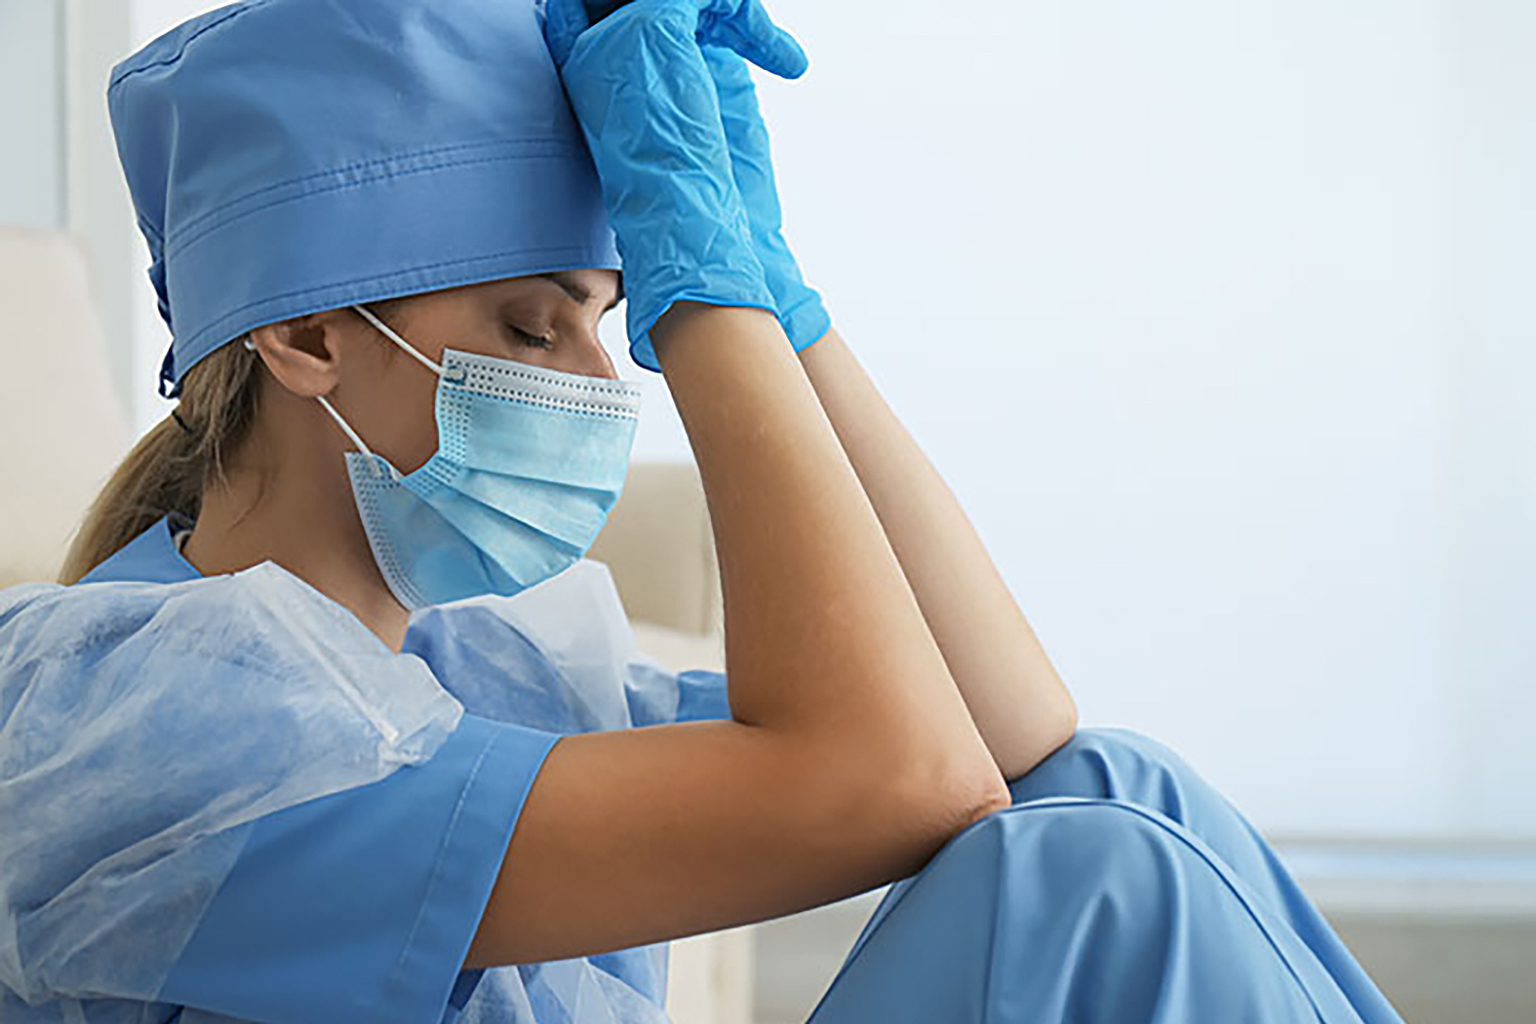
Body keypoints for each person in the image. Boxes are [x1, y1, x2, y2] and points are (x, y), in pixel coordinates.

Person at [0, 0, 1407, 1022]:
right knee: (1100, 879)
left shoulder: (476, 665)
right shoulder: (122, 711)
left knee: (1118, 790)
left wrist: (774, 291)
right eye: (536, 326)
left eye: (616, 316)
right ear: (308, 339)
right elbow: (898, 784)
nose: (609, 380)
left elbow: (1009, 739)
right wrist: (705, 297)